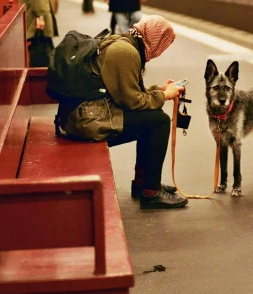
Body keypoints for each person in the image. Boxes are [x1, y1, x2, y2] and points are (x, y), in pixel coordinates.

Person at [59, 15, 188, 209]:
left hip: (86, 114)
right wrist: (164, 97)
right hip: (87, 121)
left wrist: (159, 91)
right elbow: (132, 102)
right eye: (162, 44)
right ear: (154, 39)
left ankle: (142, 182)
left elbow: (125, 91)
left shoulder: (125, 43)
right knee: (159, 122)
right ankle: (151, 192)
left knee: (151, 120)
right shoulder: (126, 52)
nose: (161, 51)